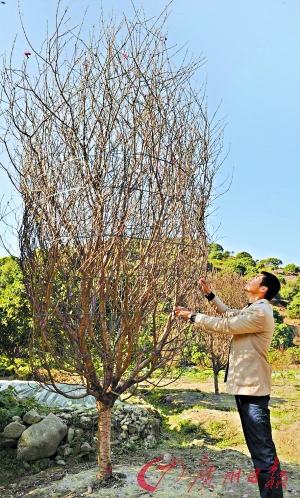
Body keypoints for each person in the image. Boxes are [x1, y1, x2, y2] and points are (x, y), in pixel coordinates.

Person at [174, 271, 285, 498]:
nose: (251, 278)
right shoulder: (252, 310)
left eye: (255, 277)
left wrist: (192, 316)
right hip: (247, 387)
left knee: (263, 452)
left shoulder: (261, 312)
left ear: (263, 289)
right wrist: (210, 295)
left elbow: (225, 325)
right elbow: (227, 314)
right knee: (259, 450)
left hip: (253, 389)